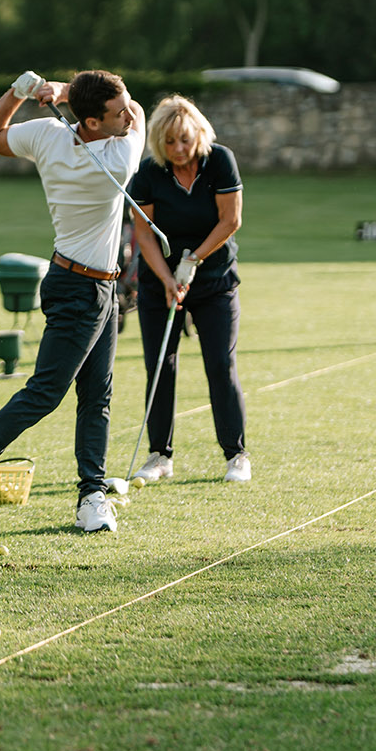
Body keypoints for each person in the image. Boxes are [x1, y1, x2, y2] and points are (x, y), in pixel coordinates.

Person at [0, 70, 144, 533]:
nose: (127, 115)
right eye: (117, 112)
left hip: (93, 284)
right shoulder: (119, 156)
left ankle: (92, 495)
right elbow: (140, 112)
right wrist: (64, 90)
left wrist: (17, 93)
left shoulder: (46, 134)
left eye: (124, 107)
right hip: (80, 290)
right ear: (93, 123)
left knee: (97, 394)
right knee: (46, 392)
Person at [124, 95, 250, 485]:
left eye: (184, 139)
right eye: (169, 142)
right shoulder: (149, 173)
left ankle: (236, 455)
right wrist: (167, 279)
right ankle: (159, 456)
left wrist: (192, 260)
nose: (178, 149)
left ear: (198, 134)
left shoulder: (220, 161)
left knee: (220, 364)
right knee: (160, 366)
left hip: (214, 281)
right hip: (158, 281)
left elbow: (230, 220)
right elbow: (144, 234)